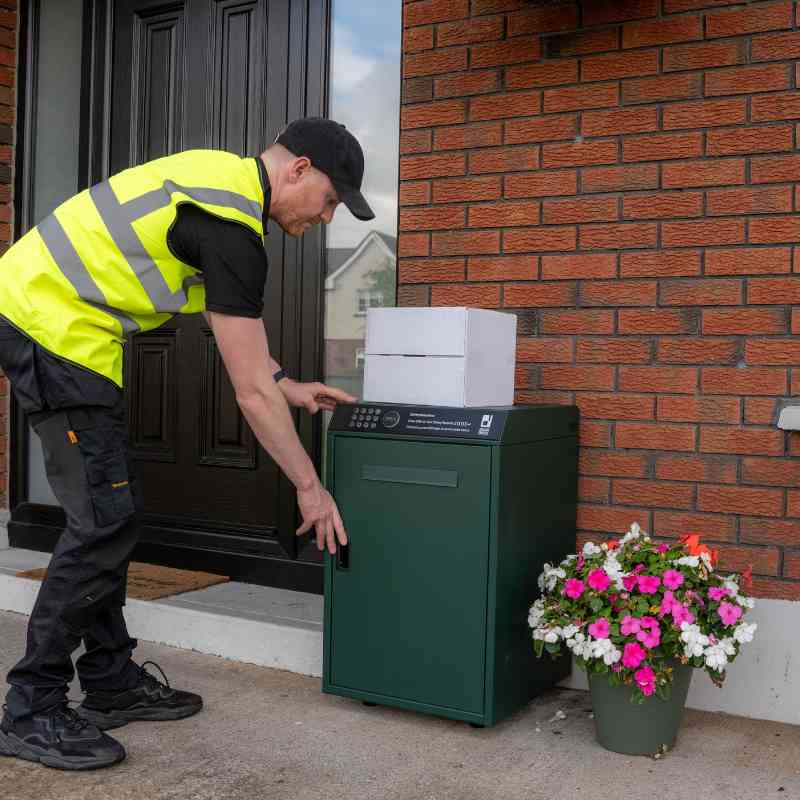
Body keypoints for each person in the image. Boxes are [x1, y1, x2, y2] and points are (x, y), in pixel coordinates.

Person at [0, 117, 373, 770]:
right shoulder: (231, 225)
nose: (327, 217)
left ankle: (111, 681)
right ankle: (31, 708)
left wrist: (287, 383)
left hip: (59, 327)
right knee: (102, 520)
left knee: (109, 514)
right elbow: (246, 390)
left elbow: (244, 353)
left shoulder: (221, 188)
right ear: (300, 169)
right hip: (49, 326)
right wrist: (310, 490)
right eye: (331, 200)